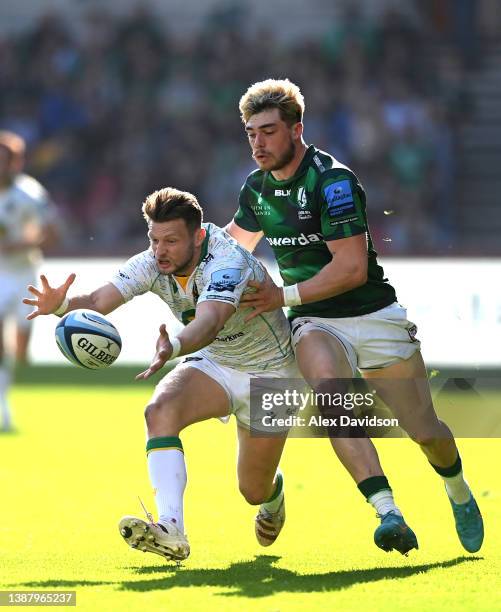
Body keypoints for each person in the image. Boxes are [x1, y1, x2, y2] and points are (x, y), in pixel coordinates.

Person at [225, 78, 483, 554]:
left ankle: (458, 490)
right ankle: (388, 512)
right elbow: (232, 248)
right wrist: (183, 271)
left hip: (372, 313)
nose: (258, 144)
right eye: (250, 133)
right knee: (329, 394)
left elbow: (350, 268)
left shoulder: (332, 181)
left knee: (426, 431)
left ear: (296, 130)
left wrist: (281, 296)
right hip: (314, 320)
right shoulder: (256, 189)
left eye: (267, 131)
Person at [23, 186, 298, 561]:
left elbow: (211, 321)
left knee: (252, 489)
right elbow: (101, 300)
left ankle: (273, 494)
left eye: (171, 240)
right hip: (216, 362)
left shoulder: (226, 261)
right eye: (154, 239)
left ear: (198, 236)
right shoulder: (152, 262)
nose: (160, 250)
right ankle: (171, 529)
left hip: (273, 373)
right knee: (159, 411)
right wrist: (64, 305)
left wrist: (176, 347)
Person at [0, 130, 59, 431]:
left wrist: (20, 245)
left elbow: (50, 233)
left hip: (23, 273)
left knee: (21, 350)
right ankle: (3, 406)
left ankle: (9, 383)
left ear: (15, 163)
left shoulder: (29, 194)